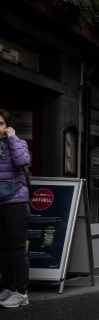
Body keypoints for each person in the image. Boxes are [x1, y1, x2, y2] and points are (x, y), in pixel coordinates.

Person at [0, 109, 32, 308]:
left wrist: (12, 138)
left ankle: (21, 293)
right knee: (2, 249)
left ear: (7, 126)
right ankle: (9, 288)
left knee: (17, 249)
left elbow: (22, 161)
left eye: (1, 123)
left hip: (15, 202)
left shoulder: (18, 143)